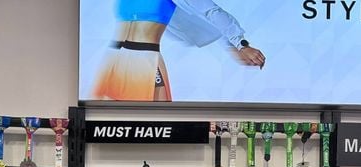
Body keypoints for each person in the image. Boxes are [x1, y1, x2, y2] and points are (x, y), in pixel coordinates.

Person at [92, 0, 266, 101]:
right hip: (120, 60)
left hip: (140, 60)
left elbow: (210, 12)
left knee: (156, 128)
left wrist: (240, 44)